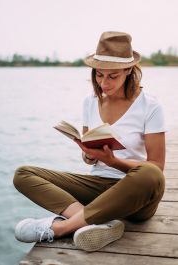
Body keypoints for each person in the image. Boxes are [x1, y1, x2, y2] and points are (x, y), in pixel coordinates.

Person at [13, 31, 166, 252]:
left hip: (136, 193)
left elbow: (157, 167)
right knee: (23, 174)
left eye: (112, 76)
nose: (104, 82)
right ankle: (97, 222)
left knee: (150, 174)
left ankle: (62, 228)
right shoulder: (90, 102)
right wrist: (88, 154)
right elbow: (89, 158)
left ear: (128, 70)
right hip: (98, 188)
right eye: (99, 75)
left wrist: (114, 162)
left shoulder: (150, 106)